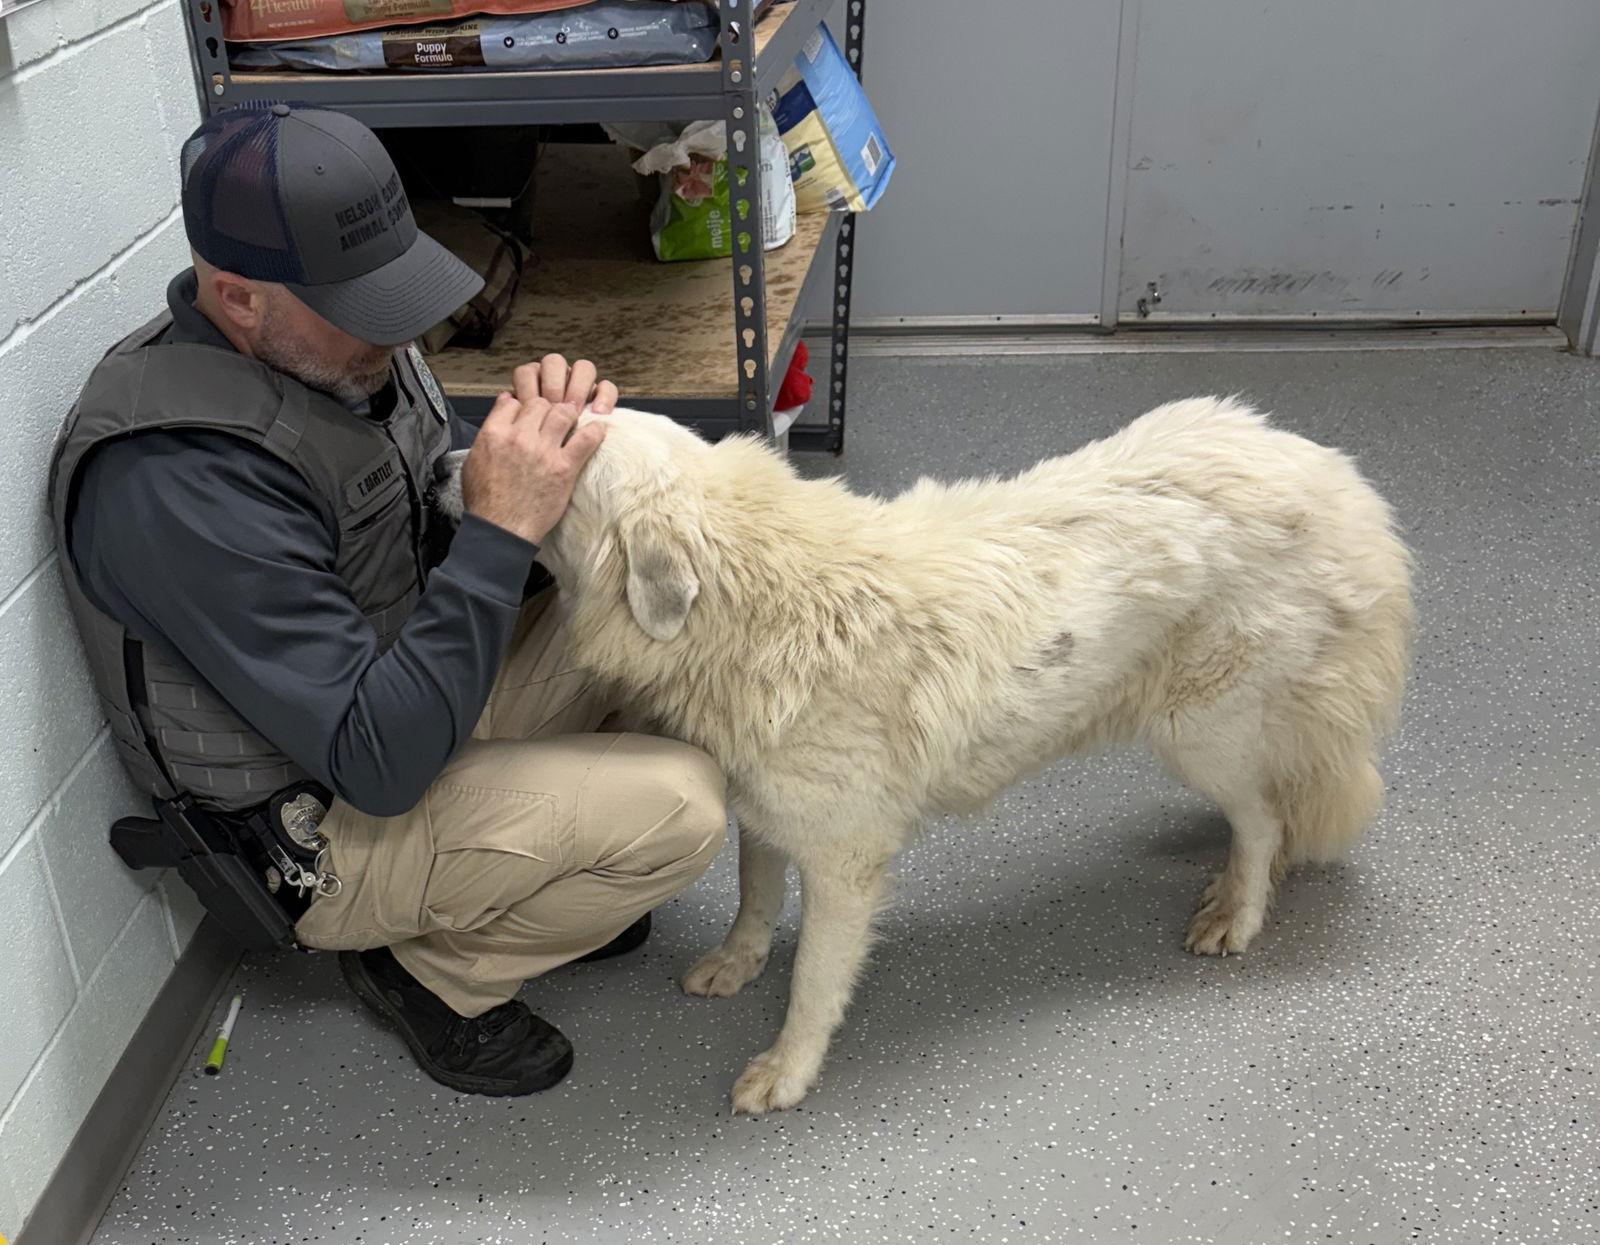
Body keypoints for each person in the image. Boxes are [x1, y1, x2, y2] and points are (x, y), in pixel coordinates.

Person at [48, 103, 727, 1098]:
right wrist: (505, 526)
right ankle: (428, 974)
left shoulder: (328, 349)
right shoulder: (176, 480)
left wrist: (559, 479)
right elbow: (381, 766)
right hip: (330, 822)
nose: (403, 326)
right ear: (239, 300)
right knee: (684, 805)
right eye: (368, 304)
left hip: (404, 686)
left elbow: (425, 533)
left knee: (663, 616)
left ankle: (525, 863)